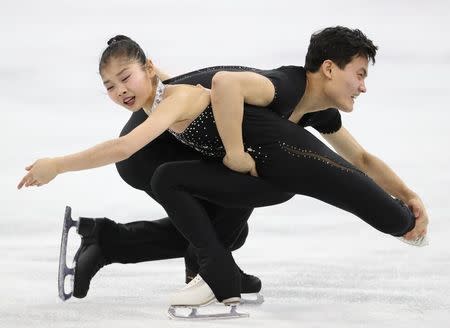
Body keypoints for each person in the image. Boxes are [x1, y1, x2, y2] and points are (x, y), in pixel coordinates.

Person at [17, 27, 429, 307]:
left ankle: (110, 243)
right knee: (200, 208)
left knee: (227, 226)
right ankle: (213, 275)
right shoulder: (282, 86)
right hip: (150, 153)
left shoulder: (317, 114)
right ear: (328, 69)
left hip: (197, 147)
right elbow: (222, 85)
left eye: (125, 78)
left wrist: (407, 196)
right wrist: (233, 152)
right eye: (358, 74)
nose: (363, 85)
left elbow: (361, 159)